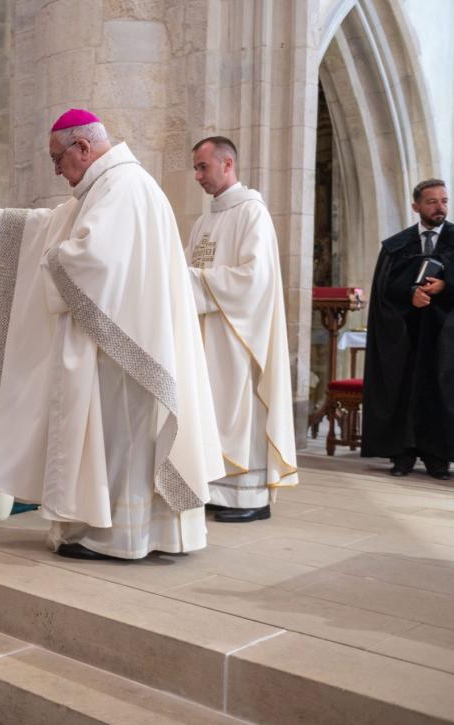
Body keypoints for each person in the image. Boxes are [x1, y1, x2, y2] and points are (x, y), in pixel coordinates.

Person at [0, 108, 223, 561]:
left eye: (58, 160)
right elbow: (54, 223)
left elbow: (92, 259)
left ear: (83, 147)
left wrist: (50, 261)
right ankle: (133, 532)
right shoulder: (107, 186)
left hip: (121, 354)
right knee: (121, 443)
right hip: (126, 347)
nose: (58, 171)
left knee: (120, 440)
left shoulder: (121, 186)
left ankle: (114, 536)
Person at [184, 137, 298, 522]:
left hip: (239, 337)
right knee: (212, 413)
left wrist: (193, 281)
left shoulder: (252, 214)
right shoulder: (204, 221)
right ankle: (218, 490)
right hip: (205, 335)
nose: (198, 176)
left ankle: (251, 498)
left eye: (203, 167)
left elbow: (255, 278)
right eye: (196, 168)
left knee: (240, 412)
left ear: (227, 163)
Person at [362, 179, 454, 479]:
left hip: (446, 336)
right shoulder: (397, 246)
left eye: (443, 200)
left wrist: (447, 285)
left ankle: (438, 457)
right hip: (406, 335)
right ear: (416, 206)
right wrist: (410, 294)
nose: (439, 207)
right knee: (403, 389)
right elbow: (383, 290)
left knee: (440, 391)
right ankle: (402, 455)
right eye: (432, 202)